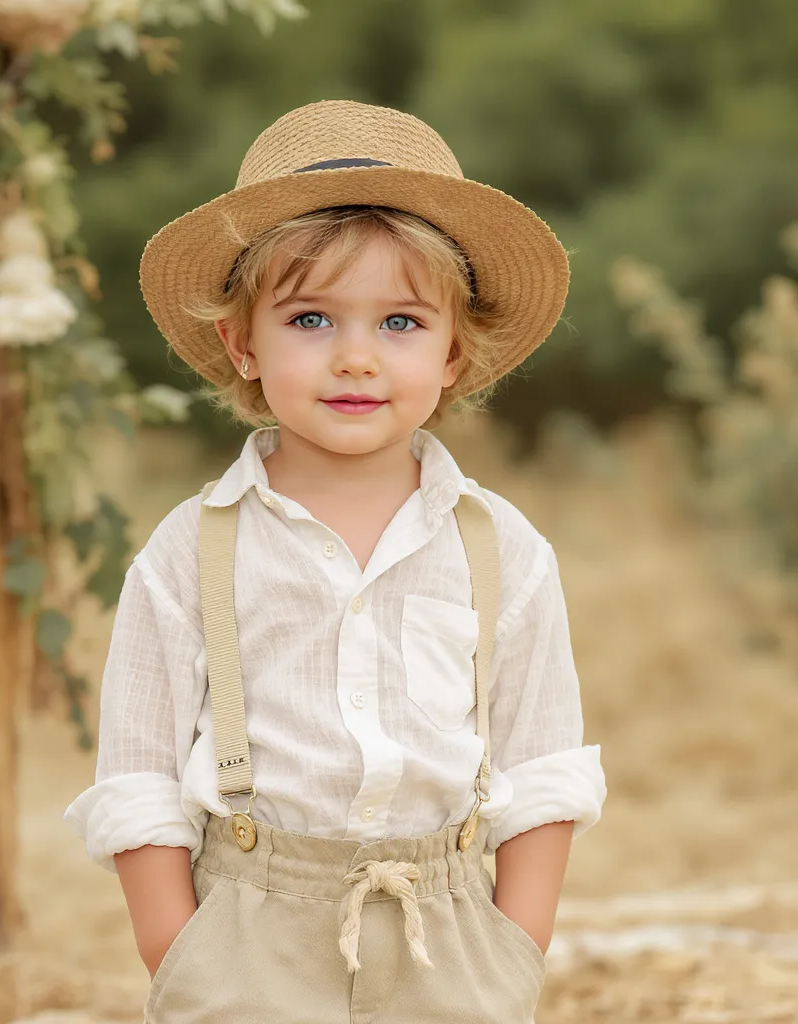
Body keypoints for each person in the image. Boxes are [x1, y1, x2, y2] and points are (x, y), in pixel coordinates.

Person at [65, 100, 607, 1024]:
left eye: (400, 323)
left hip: (452, 934)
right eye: (311, 318)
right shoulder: (189, 551)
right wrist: (184, 955)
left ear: (452, 351)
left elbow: (544, 763)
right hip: (245, 933)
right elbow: (140, 777)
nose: (356, 358)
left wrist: (514, 950)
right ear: (242, 344)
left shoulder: (501, 548)